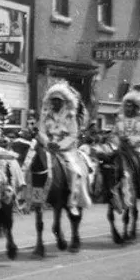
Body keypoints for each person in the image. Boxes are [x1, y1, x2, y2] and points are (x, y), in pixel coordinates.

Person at [37, 81, 93, 216]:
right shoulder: (45, 114)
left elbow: (73, 135)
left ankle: (73, 202)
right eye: (53, 100)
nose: (56, 103)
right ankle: (34, 199)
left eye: (59, 100)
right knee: (33, 164)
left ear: (64, 102)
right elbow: (41, 131)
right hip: (48, 147)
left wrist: (60, 145)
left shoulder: (70, 115)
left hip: (67, 150)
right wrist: (47, 143)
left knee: (74, 171)